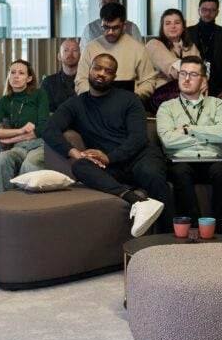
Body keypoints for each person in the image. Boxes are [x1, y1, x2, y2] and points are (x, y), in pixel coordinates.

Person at [45, 53, 171, 237]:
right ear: (89, 70)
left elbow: (137, 138)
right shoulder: (75, 104)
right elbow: (49, 129)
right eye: (97, 68)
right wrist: (75, 153)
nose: (101, 73)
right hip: (108, 166)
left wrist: (110, 157)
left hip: (140, 157)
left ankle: (170, 237)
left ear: (114, 77)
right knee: (80, 166)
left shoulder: (129, 99)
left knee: (151, 172)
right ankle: (136, 201)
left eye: (108, 71)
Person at [156, 56, 222, 232]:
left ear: (203, 80)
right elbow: (168, 140)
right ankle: (192, 231)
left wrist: (188, 129)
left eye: (193, 74)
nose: (186, 78)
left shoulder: (217, 104)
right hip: (180, 160)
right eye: (183, 73)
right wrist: (208, 132)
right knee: (180, 173)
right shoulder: (167, 107)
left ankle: (221, 232)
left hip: (213, 159)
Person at [0, 60, 50, 196]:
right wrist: (20, 131)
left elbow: (42, 128)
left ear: (29, 78)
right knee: (0, 160)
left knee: (29, 165)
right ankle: (4, 205)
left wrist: (10, 139)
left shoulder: (39, 94)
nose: (15, 76)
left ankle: (25, 210)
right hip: (18, 147)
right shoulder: (5, 101)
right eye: (12, 72)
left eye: (21, 73)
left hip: (39, 145)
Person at [75, 1, 157, 100]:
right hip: (94, 103)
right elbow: (81, 81)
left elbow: (149, 81)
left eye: (115, 28)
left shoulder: (138, 48)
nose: (110, 32)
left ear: (124, 25)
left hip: (128, 103)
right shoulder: (90, 48)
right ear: (101, 23)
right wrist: (93, 98)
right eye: (106, 27)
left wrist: (134, 96)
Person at [144, 8, 201, 112]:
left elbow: (201, 70)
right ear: (162, 27)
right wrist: (196, 75)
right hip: (161, 92)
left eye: (177, 22)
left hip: (187, 90)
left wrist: (202, 77)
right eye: (168, 23)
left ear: (183, 26)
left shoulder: (191, 47)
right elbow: (173, 72)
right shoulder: (154, 45)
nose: (173, 26)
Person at [190, 0, 222, 102]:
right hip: (191, 88)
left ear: (217, 12)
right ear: (199, 10)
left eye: (212, 10)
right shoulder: (187, 33)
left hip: (218, 91)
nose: (208, 13)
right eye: (204, 10)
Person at [41, 38, 80, 112]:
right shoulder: (48, 83)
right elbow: (45, 110)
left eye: (74, 50)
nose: (70, 54)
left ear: (80, 56)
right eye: (66, 50)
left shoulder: (87, 80)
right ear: (59, 56)